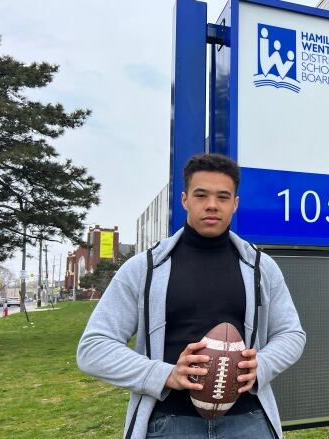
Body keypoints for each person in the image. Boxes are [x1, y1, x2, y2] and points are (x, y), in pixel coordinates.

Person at [77, 153, 306, 439]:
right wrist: (165, 374)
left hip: (248, 421)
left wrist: (261, 366)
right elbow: (94, 348)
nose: (212, 205)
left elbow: (291, 334)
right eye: (201, 195)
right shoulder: (144, 268)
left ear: (235, 204)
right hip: (169, 423)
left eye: (223, 197)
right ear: (185, 200)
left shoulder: (261, 267)